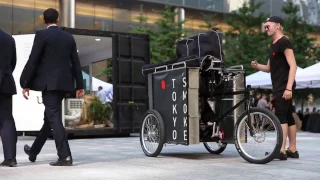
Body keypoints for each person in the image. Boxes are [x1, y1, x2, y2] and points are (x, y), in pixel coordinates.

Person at [20, 8, 84, 166]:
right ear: (57, 19)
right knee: (49, 119)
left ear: (44, 20)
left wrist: (25, 83)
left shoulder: (42, 35)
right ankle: (33, 151)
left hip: (49, 85)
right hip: (64, 84)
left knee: (53, 118)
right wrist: (79, 85)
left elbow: (33, 60)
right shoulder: (68, 37)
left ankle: (65, 156)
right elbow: (76, 63)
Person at [251, 16, 299, 160]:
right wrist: (257, 66)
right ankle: (292, 149)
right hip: (280, 85)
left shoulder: (284, 42)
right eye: (264, 26)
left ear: (278, 25)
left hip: (285, 85)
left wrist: (288, 88)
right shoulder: (273, 44)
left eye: (268, 26)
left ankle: (281, 150)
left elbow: (293, 65)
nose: (266, 28)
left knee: (281, 116)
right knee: (288, 116)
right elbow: (269, 68)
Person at [0, 29, 18, 167]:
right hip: (5, 82)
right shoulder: (8, 38)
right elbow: (13, 62)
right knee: (7, 119)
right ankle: (10, 158)